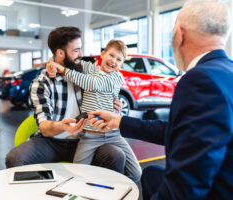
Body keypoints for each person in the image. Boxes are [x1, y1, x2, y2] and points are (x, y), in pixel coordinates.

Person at [88, 0, 233, 199]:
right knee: (151, 174)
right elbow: (181, 131)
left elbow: (186, 186)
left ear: (179, 34)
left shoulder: (200, 79)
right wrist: (118, 121)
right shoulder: (227, 72)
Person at [5, 26, 126, 174]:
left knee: (116, 155)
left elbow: (107, 78)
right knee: (15, 158)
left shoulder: (83, 71)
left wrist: (114, 100)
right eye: (76, 50)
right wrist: (63, 126)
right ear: (60, 53)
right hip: (51, 142)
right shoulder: (41, 83)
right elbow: (44, 127)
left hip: (86, 138)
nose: (81, 54)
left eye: (80, 49)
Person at [46, 40, 142, 182]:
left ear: (121, 64)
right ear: (102, 54)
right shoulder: (89, 69)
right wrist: (51, 63)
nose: (114, 61)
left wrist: (62, 69)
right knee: (76, 175)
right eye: (111, 55)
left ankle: (115, 190)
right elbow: (66, 59)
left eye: (119, 60)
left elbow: (93, 84)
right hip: (90, 136)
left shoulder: (117, 77)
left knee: (136, 173)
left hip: (113, 134)